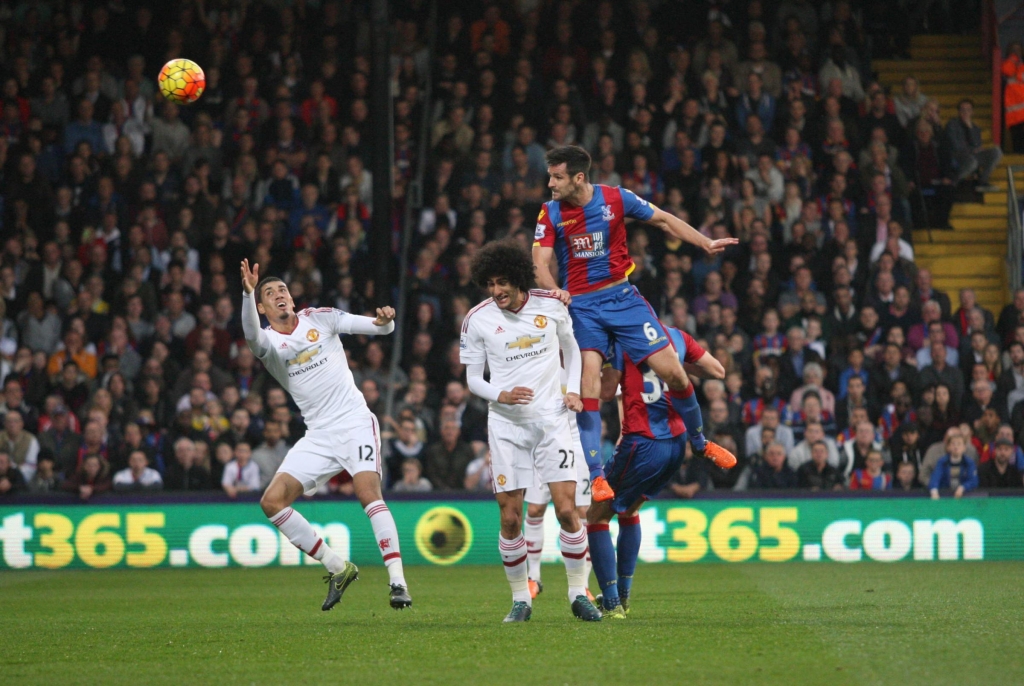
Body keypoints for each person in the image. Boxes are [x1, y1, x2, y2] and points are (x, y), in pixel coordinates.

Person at [532, 145, 737, 500]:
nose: (550, 183)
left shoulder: (615, 199)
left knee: (674, 372)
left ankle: (700, 443)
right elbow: (539, 264)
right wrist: (556, 291)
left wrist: (704, 242)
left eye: (557, 176)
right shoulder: (550, 213)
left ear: (579, 177)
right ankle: (597, 477)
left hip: (624, 299)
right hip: (582, 306)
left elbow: (662, 218)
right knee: (590, 382)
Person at [240, 258, 411, 611]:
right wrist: (247, 293)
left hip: (354, 422)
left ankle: (397, 581)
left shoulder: (320, 317)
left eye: (283, 289)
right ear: (262, 306)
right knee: (271, 503)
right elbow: (251, 335)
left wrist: (385, 321)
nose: (279, 295)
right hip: (318, 435)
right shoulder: (268, 344)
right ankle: (337, 567)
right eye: (269, 293)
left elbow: (379, 329)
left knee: (368, 493)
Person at [459, 239, 599, 623]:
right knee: (509, 518)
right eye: (490, 284)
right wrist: (500, 393)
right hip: (506, 427)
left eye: (502, 282)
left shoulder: (551, 305)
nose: (496, 291)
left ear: (520, 278)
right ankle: (521, 599)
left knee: (569, 511)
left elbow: (572, 351)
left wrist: (572, 390)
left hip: (552, 421)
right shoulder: (477, 319)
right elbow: (473, 378)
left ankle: (577, 594)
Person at [588, 319, 725, 618]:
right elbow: (717, 370)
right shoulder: (677, 337)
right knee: (629, 511)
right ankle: (622, 595)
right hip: (677, 444)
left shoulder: (624, 341)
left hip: (642, 441)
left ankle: (611, 602)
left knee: (596, 517)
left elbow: (608, 392)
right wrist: (676, 369)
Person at [523, 368, 594, 601]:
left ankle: (582, 584)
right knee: (534, 508)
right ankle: (533, 577)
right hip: (541, 442)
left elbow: (607, 394)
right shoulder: (539, 361)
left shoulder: (582, 363)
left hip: (575, 443)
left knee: (581, 512)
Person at [929, 428, 979, 499]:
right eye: (953, 444)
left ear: (964, 447)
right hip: (945, 497)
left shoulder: (969, 463)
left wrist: (963, 487)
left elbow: (974, 481)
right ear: (948, 447)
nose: (956, 447)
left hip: (963, 497)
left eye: (959, 444)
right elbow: (935, 478)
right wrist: (934, 491)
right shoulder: (942, 462)